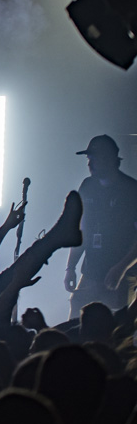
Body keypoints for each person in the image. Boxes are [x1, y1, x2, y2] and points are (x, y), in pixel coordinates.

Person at [65, 135, 137, 317]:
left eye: (93, 159)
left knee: (114, 322)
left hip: (122, 274)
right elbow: (82, 230)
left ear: (109, 159)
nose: (89, 164)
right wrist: (71, 267)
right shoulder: (87, 186)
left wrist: (121, 268)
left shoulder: (131, 190)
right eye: (88, 159)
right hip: (92, 270)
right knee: (77, 311)